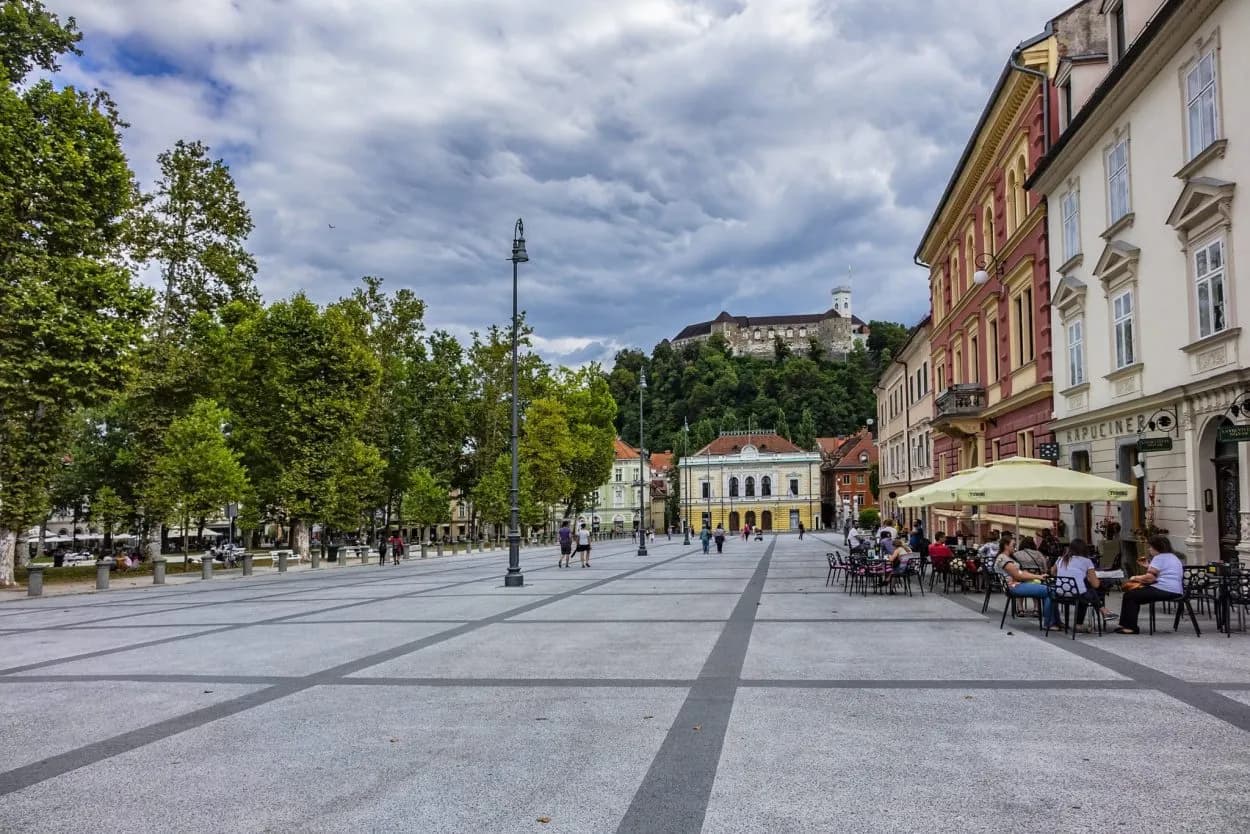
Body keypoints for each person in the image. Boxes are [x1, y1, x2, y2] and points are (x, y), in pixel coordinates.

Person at [1114, 535, 1184, 635]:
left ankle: (1130, 627)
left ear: (1157, 547)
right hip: (1176, 590)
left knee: (1130, 596)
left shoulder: (1159, 558)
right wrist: (1149, 566)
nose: (1149, 549)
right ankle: (1126, 625)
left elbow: (1150, 578)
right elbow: (1163, 572)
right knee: (1133, 595)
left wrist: (1134, 577)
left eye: (1150, 547)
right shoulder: (1173, 557)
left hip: (1164, 589)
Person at [995, 537, 1062, 630]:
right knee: (1050, 591)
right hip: (1014, 586)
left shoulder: (1007, 557)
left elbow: (1021, 573)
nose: (1015, 548)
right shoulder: (1003, 559)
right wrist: (1037, 576)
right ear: (1006, 546)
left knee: (1051, 590)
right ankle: (1050, 623)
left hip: (1017, 585)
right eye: (1013, 545)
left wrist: (1038, 576)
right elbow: (1018, 575)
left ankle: (1055, 622)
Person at [1051, 538, 1115, 632]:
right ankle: (1101, 611)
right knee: (1092, 590)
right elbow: (1096, 584)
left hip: (1060, 593)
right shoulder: (1086, 561)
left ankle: (1102, 610)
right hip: (1078, 595)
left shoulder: (1061, 559)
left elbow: (1052, 572)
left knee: (1086, 588)